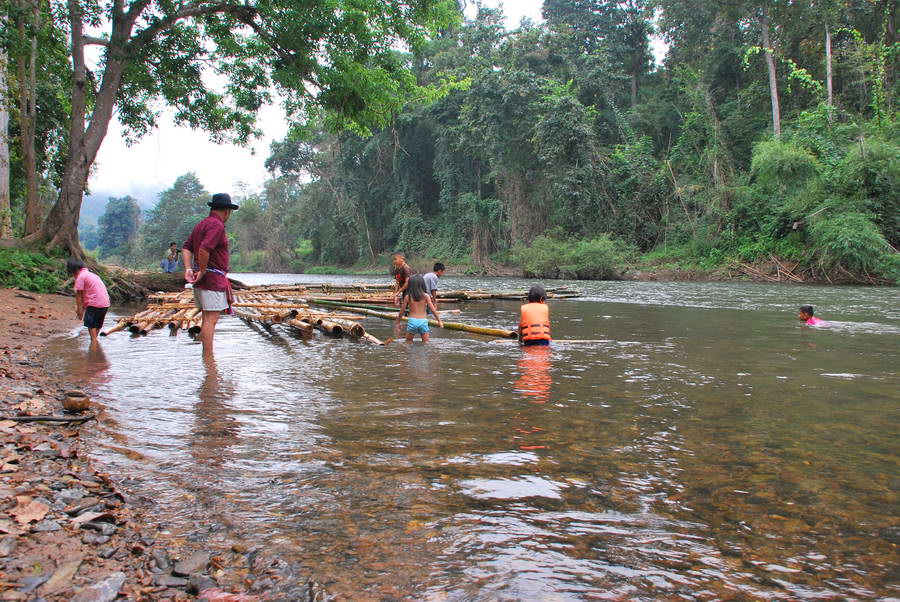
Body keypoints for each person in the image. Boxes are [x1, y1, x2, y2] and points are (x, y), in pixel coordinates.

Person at [182, 193, 239, 354]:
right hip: (211, 279)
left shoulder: (201, 224)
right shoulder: (217, 225)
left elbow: (186, 248)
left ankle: (207, 360)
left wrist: (188, 268)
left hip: (203, 279)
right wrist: (203, 270)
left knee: (207, 317)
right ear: (227, 211)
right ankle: (209, 360)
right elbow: (204, 249)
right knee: (211, 319)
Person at [68, 258, 111, 345]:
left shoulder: (81, 277)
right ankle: (95, 340)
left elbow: (79, 294)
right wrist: (83, 308)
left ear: (72, 270)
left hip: (94, 303)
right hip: (105, 303)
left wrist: (80, 310)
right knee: (98, 324)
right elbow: (89, 292)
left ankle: (94, 342)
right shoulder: (92, 275)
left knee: (91, 324)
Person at [396, 275, 443, 343]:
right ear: (423, 285)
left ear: (410, 285)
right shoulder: (426, 296)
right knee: (426, 342)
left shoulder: (408, 297)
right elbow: (433, 310)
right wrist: (439, 321)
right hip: (423, 321)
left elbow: (402, 311)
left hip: (412, 321)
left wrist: (398, 323)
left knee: (408, 342)